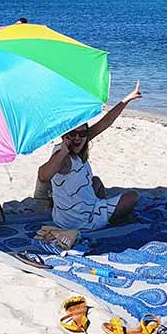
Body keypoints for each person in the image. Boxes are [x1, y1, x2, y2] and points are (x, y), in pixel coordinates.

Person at [35, 80, 143, 230]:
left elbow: (106, 122)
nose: (78, 138)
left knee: (96, 182)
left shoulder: (79, 144)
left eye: (82, 133)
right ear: (65, 135)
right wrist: (63, 152)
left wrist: (127, 99)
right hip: (81, 221)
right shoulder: (63, 156)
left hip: (62, 219)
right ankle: (104, 217)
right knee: (133, 197)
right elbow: (43, 175)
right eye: (73, 133)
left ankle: (103, 210)